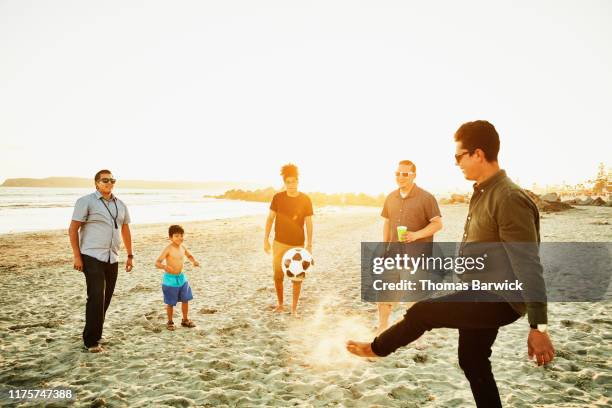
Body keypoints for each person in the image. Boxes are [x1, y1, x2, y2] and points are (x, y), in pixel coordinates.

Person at [347, 121, 555, 408]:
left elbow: (529, 265)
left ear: (478, 154)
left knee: (422, 312)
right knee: (471, 359)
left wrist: (539, 328)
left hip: (498, 298)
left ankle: (377, 347)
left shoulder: (507, 198)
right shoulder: (483, 192)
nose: (456, 163)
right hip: (479, 292)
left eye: (459, 156)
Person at [69, 170, 133, 353]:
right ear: (96, 183)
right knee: (96, 297)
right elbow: (73, 229)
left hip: (113, 257)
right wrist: (76, 256)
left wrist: (130, 255)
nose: (109, 183)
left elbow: (125, 230)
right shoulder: (85, 202)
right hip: (91, 256)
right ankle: (90, 341)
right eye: (105, 180)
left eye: (112, 180)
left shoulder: (121, 205)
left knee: (106, 298)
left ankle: (96, 333)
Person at [376, 160, 443, 334]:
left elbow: (437, 224)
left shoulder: (427, 198)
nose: (400, 177)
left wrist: (416, 235)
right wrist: (384, 246)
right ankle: (383, 328)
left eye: (405, 173)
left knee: (414, 298)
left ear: (413, 175)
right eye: (397, 173)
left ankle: (418, 335)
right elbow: (387, 222)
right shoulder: (390, 197)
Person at [263, 163, 313, 317]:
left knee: (297, 278)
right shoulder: (278, 197)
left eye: (294, 181)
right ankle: (280, 304)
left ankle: (294, 309)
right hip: (279, 244)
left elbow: (309, 222)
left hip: (297, 246)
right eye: (288, 182)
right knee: (278, 276)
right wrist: (266, 239)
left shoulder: (305, 199)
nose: (291, 185)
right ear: (284, 183)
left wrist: (309, 244)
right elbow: (270, 219)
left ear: (298, 181)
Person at [155, 225, 200, 331]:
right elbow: (157, 263)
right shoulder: (168, 249)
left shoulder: (182, 247)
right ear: (170, 237)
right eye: (176, 236)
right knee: (170, 302)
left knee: (186, 299)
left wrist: (194, 261)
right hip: (170, 280)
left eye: (181, 235)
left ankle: (185, 320)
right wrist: (165, 267)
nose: (179, 238)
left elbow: (189, 255)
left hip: (181, 278)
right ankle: (170, 322)